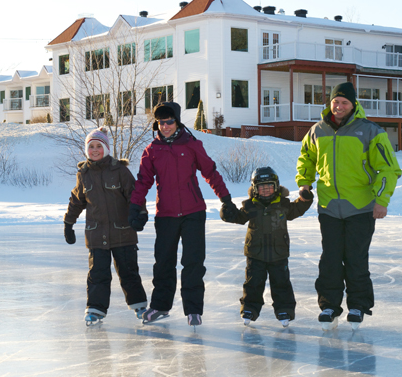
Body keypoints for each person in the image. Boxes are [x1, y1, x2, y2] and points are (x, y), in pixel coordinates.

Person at [296, 82, 401, 330]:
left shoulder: (370, 131)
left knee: (355, 258)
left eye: (344, 102)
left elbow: (389, 168)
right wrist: (304, 183)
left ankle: (358, 305)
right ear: (329, 103)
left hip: (361, 207)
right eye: (336, 102)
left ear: (354, 104)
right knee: (330, 259)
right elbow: (307, 158)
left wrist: (381, 200)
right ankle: (329, 306)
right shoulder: (317, 131)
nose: (339, 106)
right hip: (329, 206)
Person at [128, 102, 238, 326]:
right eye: (161, 122)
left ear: (177, 121)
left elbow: (210, 172)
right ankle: (160, 306)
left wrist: (225, 200)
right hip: (166, 214)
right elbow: (143, 181)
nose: (165, 126)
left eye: (169, 121)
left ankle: (193, 310)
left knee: (193, 262)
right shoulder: (152, 150)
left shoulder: (191, 145)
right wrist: (134, 206)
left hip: (193, 212)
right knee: (163, 263)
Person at [64, 127, 149, 326]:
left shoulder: (120, 170)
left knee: (128, 271)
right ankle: (95, 310)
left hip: (123, 233)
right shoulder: (83, 174)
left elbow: (134, 195)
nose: (94, 150)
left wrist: (140, 214)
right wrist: (68, 223)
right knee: (97, 274)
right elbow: (76, 200)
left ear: (106, 148)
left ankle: (140, 306)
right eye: (91, 146)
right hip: (96, 235)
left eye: (98, 146)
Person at [220, 167, 312, 327]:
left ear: (276, 187)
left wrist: (306, 199)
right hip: (255, 253)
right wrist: (227, 212)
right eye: (262, 188)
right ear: (255, 189)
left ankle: (285, 309)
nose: (266, 190)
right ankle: (249, 308)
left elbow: (297, 208)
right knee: (253, 283)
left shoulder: (283, 205)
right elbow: (239, 217)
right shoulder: (251, 206)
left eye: (269, 187)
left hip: (279, 253)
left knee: (281, 283)